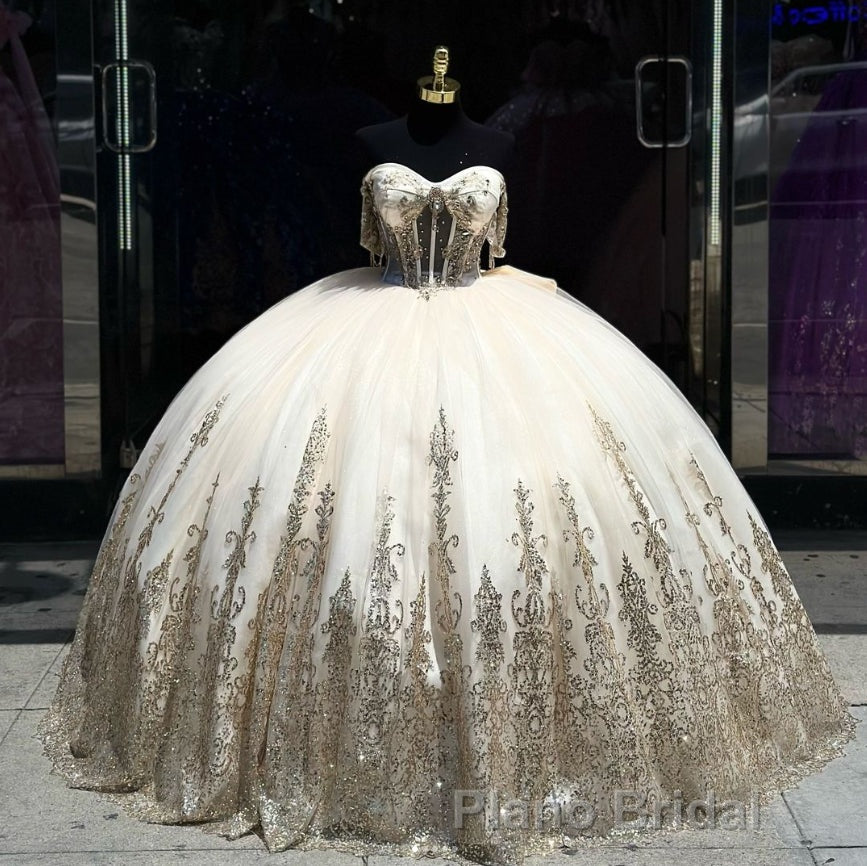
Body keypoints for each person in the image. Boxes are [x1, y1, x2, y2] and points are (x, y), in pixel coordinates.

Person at [41, 48, 853, 865]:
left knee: (533, 506)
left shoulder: (498, 141)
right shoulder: (372, 134)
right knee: (337, 501)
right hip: (365, 327)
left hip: (493, 331)